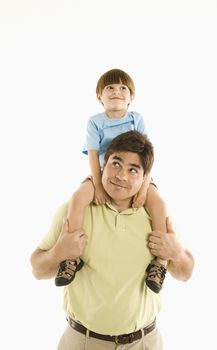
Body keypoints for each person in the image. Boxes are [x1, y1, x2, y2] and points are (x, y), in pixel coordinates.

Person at [31, 130, 194, 350]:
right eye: (116, 164)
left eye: (133, 170)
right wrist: (58, 253)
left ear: (145, 178)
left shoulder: (157, 217)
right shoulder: (72, 212)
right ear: (103, 165)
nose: (121, 175)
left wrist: (175, 253)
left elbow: (185, 273)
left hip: (144, 342)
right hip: (83, 342)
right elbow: (37, 270)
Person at [55, 68, 168, 293]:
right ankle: (71, 257)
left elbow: (148, 155)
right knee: (78, 198)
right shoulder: (95, 122)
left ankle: (160, 262)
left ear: (131, 97)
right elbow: (94, 155)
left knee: (159, 204)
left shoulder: (136, 119)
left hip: (138, 176)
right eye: (110, 88)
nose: (117, 91)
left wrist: (144, 187)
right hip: (103, 173)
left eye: (123, 88)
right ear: (99, 96)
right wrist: (96, 184)